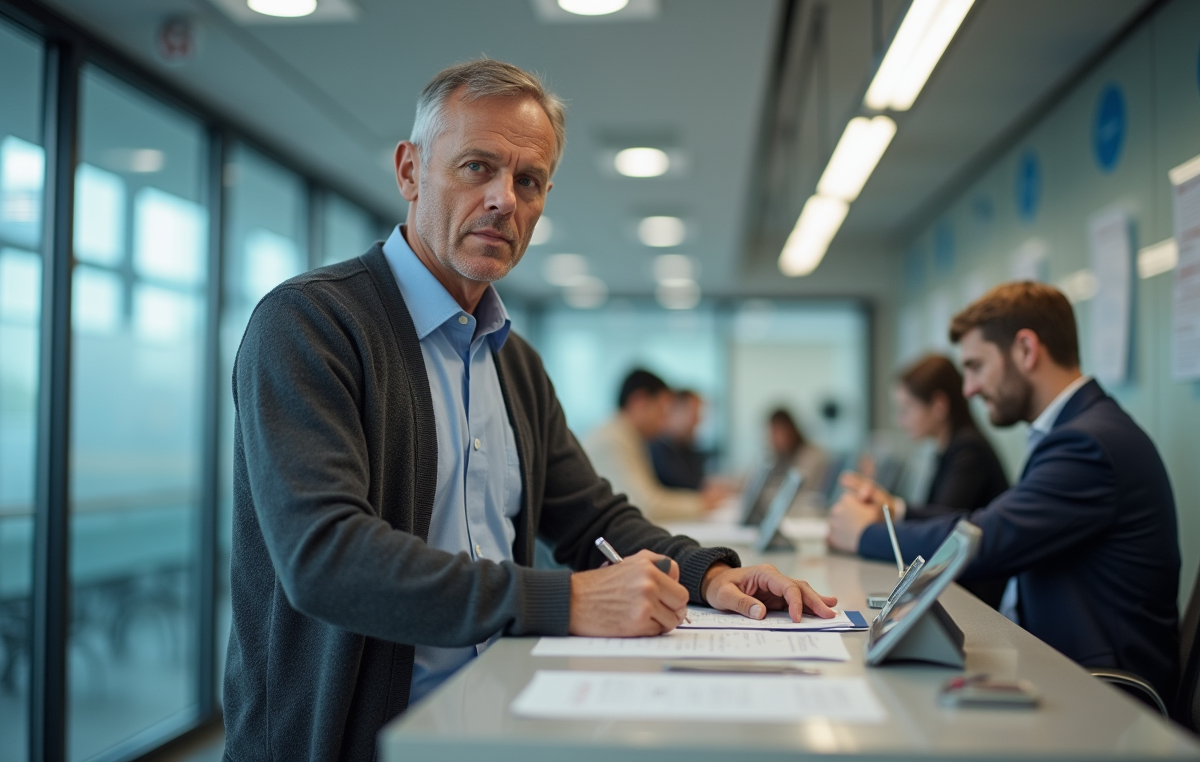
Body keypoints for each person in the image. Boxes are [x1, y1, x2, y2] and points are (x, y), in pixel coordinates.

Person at [223, 60, 836, 762]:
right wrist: (563, 601)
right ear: (410, 170)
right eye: (477, 167)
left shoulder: (514, 362)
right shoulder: (310, 326)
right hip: (356, 740)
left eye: (528, 181)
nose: (503, 200)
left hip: (500, 715)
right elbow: (326, 558)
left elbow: (592, 520)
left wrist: (709, 574)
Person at [828, 282, 1179, 699]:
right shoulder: (1077, 430)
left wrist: (867, 534)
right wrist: (897, 512)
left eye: (976, 366)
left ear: (1026, 350)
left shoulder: (1088, 444)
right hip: (1053, 659)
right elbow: (996, 517)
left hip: (1105, 692)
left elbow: (987, 539)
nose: (969, 389)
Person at [877, 354, 1010, 606]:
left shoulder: (969, 449)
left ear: (939, 405)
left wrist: (892, 510)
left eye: (906, 409)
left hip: (976, 597)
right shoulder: (949, 447)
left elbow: (942, 523)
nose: (900, 420)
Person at [583, 371, 727, 522]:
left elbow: (651, 497)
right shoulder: (611, 440)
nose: (664, 421)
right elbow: (646, 506)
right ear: (639, 401)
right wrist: (702, 503)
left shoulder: (627, 436)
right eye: (662, 411)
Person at [649, 389, 708, 489]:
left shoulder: (683, 446)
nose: (697, 421)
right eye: (693, 415)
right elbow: (688, 485)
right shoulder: (656, 447)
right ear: (673, 411)